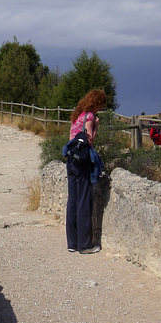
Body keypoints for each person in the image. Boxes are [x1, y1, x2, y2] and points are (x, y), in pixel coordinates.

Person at [66, 89, 107, 254]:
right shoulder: (89, 117)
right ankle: (85, 245)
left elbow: (71, 138)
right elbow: (89, 139)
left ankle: (72, 243)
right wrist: (96, 127)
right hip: (82, 162)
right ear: (96, 102)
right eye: (100, 105)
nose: (100, 108)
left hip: (71, 160)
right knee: (84, 201)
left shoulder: (77, 116)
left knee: (73, 201)